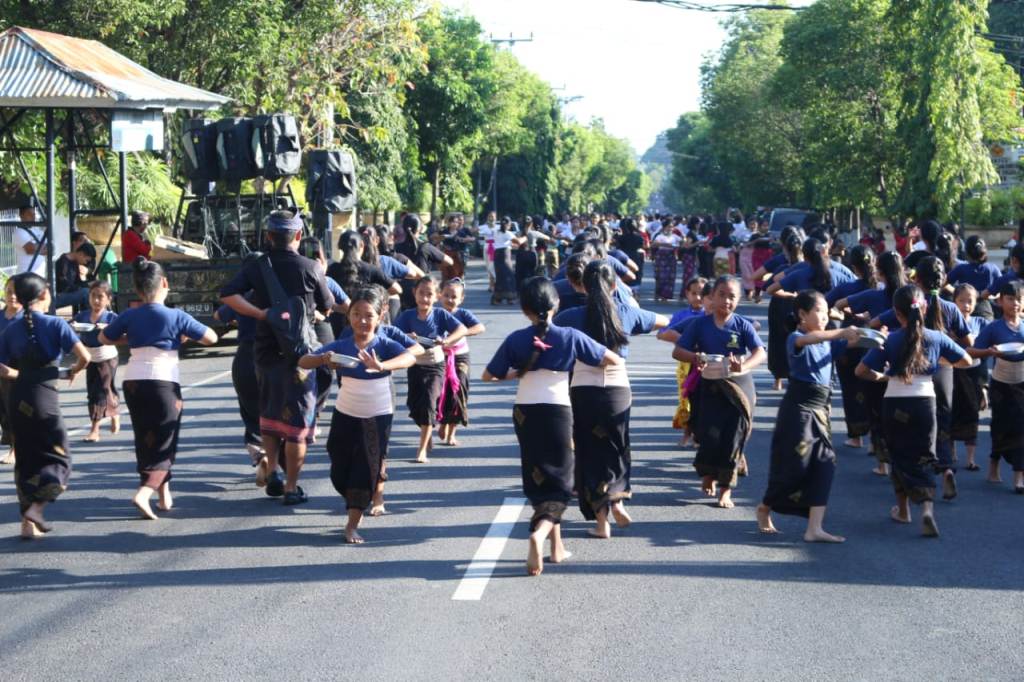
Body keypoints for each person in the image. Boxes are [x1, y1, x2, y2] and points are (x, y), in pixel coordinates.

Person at [483, 277, 622, 576]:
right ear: (556, 304)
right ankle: (540, 533)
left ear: (524, 309)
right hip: (558, 411)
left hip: (524, 412)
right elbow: (612, 359)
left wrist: (517, 374)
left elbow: (488, 375)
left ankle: (556, 548)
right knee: (560, 482)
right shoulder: (569, 335)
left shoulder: (516, 339)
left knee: (538, 476)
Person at [219, 210, 334, 505]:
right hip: (300, 357)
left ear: (269, 236)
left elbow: (228, 295)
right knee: (297, 425)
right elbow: (328, 306)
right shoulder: (310, 266)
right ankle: (291, 487)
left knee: (268, 415)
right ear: (297, 236)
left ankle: (273, 472)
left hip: (265, 354)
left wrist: (261, 313)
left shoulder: (258, 267)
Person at [554, 261, 667, 538]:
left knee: (589, 452)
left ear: (583, 286)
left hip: (583, 388)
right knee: (617, 447)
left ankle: (601, 522)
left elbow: (549, 331)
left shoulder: (570, 316)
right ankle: (616, 497)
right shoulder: (627, 313)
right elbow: (667, 322)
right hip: (618, 390)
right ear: (615, 286)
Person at [298, 285, 416, 543]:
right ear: (349, 316)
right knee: (339, 467)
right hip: (345, 413)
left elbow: (409, 358)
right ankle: (354, 496)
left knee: (365, 470)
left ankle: (352, 524)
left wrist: (382, 365)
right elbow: (303, 361)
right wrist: (323, 359)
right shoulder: (340, 345)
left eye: (368, 315)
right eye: (356, 315)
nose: (362, 320)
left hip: (377, 414)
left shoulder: (385, 344)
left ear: (379, 317)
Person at [100, 258, 216, 519]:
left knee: (145, 437)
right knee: (165, 441)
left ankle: (164, 496)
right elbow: (211, 337)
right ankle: (144, 492)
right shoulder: (176, 315)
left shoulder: (130, 315)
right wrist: (180, 336)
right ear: (165, 283)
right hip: (164, 382)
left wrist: (131, 337)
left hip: (134, 382)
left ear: (138, 289)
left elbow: (103, 337)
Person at [856, 285, 971, 538]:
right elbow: (967, 360)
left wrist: (883, 377)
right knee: (924, 455)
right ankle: (927, 508)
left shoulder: (890, 339)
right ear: (925, 308)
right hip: (925, 403)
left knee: (899, 456)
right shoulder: (936, 338)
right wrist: (938, 360)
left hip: (895, 401)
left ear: (897, 314)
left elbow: (860, 371)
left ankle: (904, 510)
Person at [757, 290, 858, 542]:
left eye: (826, 311)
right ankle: (765, 506)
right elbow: (814, 339)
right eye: (819, 311)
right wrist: (841, 331)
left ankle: (814, 528)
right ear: (802, 314)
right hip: (798, 411)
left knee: (825, 464)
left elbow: (850, 341)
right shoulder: (796, 338)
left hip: (820, 411)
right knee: (794, 467)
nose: (824, 316)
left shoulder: (827, 341)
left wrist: (875, 336)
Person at [873, 256, 973, 500]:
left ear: (916, 279)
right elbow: (968, 342)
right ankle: (947, 468)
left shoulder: (911, 303)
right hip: (944, 373)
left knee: (917, 431)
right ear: (943, 279)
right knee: (942, 425)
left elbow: (875, 323)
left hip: (913, 375)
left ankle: (915, 478)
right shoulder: (950, 307)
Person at [0, 273, 89, 538]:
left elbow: (4, 370)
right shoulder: (55, 324)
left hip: (17, 399)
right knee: (60, 458)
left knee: (25, 460)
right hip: (44, 401)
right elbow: (84, 357)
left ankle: (26, 524)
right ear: (44, 296)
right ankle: (37, 509)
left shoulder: (10, 330)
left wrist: (24, 375)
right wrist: (71, 370)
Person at [673, 275, 767, 508]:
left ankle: (726, 489)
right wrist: (696, 357)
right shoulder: (699, 324)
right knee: (708, 434)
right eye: (721, 295)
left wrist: (743, 366)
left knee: (733, 437)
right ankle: (707, 475)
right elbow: (678, 351)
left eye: (732, 296)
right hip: (709, 385)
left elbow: (760, 352)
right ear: (711, 298)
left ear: (738, 300)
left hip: (739, 387)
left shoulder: (742, 325)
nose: (726, 300)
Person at [393, 276, 468, 462]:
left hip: (436, 367)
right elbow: (392, 334)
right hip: (415, 366)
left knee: (428, 404)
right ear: (414, 293)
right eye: (421, 293)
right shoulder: (407, 315)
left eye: (429, 294)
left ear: (436, 297)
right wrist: (406, 337)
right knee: (415, 405)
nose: (424, 298)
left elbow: (462, 330)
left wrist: (446, 341)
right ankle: (426, 433)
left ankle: (422, 449)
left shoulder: (441, 315)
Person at [970, 280, 1024, 492]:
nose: (1015, 304)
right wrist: (989, 353)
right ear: (1000, 301)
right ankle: (994, 465)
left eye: (1019, 300)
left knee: (1021, 427)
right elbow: (973, 351)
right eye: (1010, 299)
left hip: (1022, 383)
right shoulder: (993, 327)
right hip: (1001, 385)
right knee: (1000, 426)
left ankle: (1019, 476)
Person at [825, 245, 876, 449]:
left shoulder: (847, 288)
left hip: (850, 339)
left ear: (854, 267)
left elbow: (824, 304)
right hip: (876, 340)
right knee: (874, 387)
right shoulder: (881, 288)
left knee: (850, 388)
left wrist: (843, 314)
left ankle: (856, 435)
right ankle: (876, 439)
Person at [214, 287, 263, 466]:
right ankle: (275, 462)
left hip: (246, 355)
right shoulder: (277, 293)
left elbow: (219, 316)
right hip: (273, 356)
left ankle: (258, 451)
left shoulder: (240, 297)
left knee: (250, 409)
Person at [437, 278, 485, 446]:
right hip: (439, 358)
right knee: (442, 393)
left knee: (458, 393)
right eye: (446, 295)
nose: (450, 300)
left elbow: (480, 327)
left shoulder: (463, 314)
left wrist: (461, 334)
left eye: (454, 297)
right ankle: (442, 422)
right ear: (439, 295)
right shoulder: (435, 314)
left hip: (460, 357)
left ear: (461, 299)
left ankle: (452, 432)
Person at [327, 230, 396, 338]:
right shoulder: (371, 270)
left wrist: (339, 308)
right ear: (362, 245)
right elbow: (397, 289)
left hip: (336, 323)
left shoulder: (331, 269)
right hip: (364, 322)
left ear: (339, 246)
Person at [75, 281, 120, 442]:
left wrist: (107, 329)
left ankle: (95, 429)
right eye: (93, 296)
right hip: (90, 357)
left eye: (100, 297)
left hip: (108, 357)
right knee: (98, 390)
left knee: (100, 391)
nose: (96, 301)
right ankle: (114, 412)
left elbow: (122, 334)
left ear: (108, 299)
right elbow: (71, 329)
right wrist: (74, 327)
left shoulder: (112, 318)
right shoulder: (82, 316)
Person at [950, 283, 987, 472]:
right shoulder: (948, 324)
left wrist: (985, 386)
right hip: (953, 372)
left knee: (972, 413)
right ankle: (951, 452)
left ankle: (970, 459)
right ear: (954, 302)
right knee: (950, 411)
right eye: (961, 301)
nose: (966, 305)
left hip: (973, 373)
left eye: (970, 301)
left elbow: (986, 353)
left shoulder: (981, 323)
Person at [395, 215, 451, 310]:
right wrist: (433, 260)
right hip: (423, 291)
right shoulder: (425, 247)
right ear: (420, 229)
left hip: (401, 291)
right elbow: (449, 261)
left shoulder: (396, 248)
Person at [948, 236, 1000, 321]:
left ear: (967, 252)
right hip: (986, 310)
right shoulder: (992, 268)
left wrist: (957, 293)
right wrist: (988, 294)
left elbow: (943, 283)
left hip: (963, 309)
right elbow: (1003, 288)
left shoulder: (961, 268)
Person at [0, 279, 21, 465]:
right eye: (8, 291)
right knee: (3, 413)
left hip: (16, 372)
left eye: (16, 292)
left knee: (13, 411)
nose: (12, 296)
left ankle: (16, 449)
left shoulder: (26, 319)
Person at [491, 216, 520, 305]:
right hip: (504, 255)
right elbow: (518, 242)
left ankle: (497, 298)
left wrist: (511, 245)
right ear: (509, 224)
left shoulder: (496, 232)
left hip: (497, 254)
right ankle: (510, 298)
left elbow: (503, 242)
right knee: (509, 276)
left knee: (500, 277)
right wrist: (526, 237)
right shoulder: (508, 233)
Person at [14, 204, 47, 277]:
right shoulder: (19, 232)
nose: (33, 217)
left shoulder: (37, 230)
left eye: (34, 214)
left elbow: (49, 249)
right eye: (29, 214)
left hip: (40, 275)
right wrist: (42, 247)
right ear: (21, 216)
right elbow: (30, 249)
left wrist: (38, 248)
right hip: (25, 274)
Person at [652, 220, 680, 302]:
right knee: (661, 276)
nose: (671, 228)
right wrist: (665, 244)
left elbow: (683, 242)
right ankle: (658, 294)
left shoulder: (675, 236)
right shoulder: (660, 236)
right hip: (661, 257)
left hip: (671, 257)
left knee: (670, 277)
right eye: (669, 226)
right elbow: (653, 244)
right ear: (664, 227)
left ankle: (666, 295)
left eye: (672, 226)